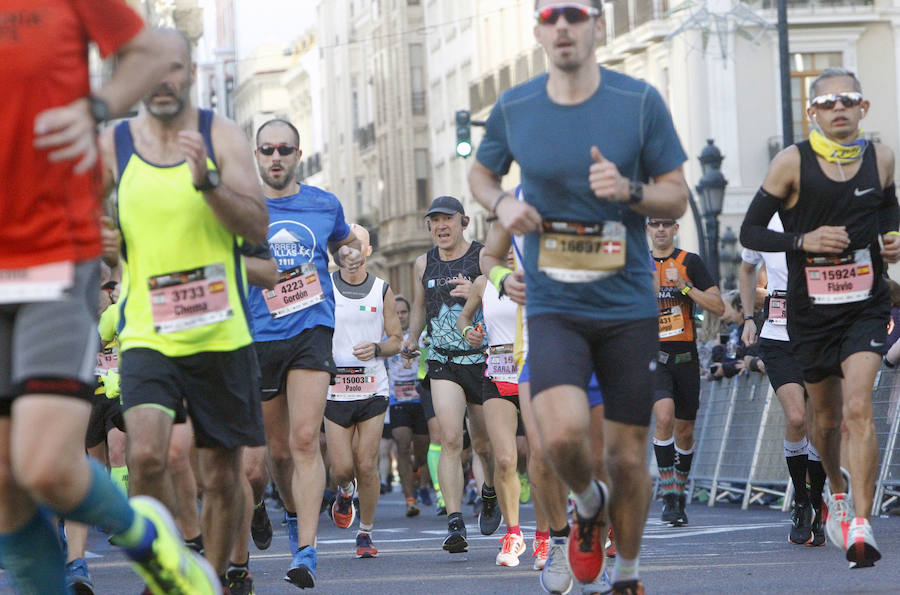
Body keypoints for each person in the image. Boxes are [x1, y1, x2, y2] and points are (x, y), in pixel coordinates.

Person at [468, 1, 690, 592]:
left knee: (625, 456)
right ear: (538, 30)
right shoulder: (515, 106)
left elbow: (677, 197)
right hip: (556, 306)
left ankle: (629, 573)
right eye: (550, 15)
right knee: (560, 439)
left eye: (575, 13)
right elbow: (482, 176)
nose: (562, 26)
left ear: (595, 24)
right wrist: (502, 205)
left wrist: (629, 189)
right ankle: (587, 505)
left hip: (625, 309)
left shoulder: (638, 100)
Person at [0, 6, 219, 594]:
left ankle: (150, 538)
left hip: (51, 254)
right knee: (4, 484)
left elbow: (147, 53)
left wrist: (96, 107)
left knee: (46, 466)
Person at [98, 27, 271, 590]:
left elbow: (257, 225)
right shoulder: (114, 145)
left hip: (221, 334)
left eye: (173, 67)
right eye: (149, 68)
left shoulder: (219, 135)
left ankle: (211, 580)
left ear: (190, 70)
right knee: (145, 456)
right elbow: (83, 226)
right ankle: (166, 568)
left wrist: (209, 184)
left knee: (222, 475)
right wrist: (100, 242)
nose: (163, 80)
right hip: (148, 331)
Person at [740, 67, 900, 569]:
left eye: (848, 100)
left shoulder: (883, 158)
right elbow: (749, 233)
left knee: (858, 408)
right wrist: (800, 241)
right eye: (828, 103)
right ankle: (833, 489)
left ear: (863, 108)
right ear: (812, 112)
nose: (839, 109)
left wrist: (893, 239)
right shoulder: (791, 163)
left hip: (865, 305)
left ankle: (860, 520)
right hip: (811, 311)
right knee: (825, 421)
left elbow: (889, 211)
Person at [246, 118, 362, 589]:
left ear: (298, 154)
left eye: (285, 149)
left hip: (312, 328)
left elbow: (343, 241)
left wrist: (353, 250)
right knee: (272, 454)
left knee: (304, 440)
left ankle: (308, 552)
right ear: (257, 156)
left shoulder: (322, 203)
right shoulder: (241, 207)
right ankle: (277, 514)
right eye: (268, 150)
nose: (276, 157)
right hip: (259, 334)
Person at [402, 196, 497, 554]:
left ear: (464, 221)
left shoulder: (483, 256)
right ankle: (455, 521)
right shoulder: (422, 262)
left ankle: (488, 493)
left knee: (485, 445)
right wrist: (412, 337)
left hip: (483, 360)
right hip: (443, 360)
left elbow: (503, 298)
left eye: (448, 219)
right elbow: (419, 306)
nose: (440, 226)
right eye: (434, 221)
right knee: (450, 439)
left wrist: (477, 297)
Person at [739, 213, 828, 547]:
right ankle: (801, 503)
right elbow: (747, 267)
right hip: (778, 337)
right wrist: (748, 317)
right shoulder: (767, 220)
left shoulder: (825, 210)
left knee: (819, 425)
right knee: (795, 417)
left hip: (820, 336)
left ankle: (817, 499)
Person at [325, 224, 403, 558]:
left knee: (367, 463)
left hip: (373, 388)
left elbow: (396, 340)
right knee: (343, 468)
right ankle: (345, 492)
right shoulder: (326, 287)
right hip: (335, 389)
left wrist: (377, 347)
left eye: (359, 246)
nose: (352, 252)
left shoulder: (382, 289)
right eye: (346, 246)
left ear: (369, 252)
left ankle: (366, 533)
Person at [649, 218, 724, 527]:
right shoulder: (639, 266)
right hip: (653, 355)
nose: (661, 229)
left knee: (684, 431)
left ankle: (679, 493)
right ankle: (668, 494)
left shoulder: (690, 262)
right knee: (663, 417)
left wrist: (684, 286)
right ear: (648, 229)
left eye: (667, 224)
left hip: (685, 357)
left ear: (676, 228)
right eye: (655, 224)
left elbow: (718, 306)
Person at [457, 250, 526, 567]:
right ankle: (513, 534)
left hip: (535, 372)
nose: (511, 251)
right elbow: (464, 318)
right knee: (503, 458)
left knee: (539, 458)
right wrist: (468, 333)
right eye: (506, 245)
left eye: (517, 244)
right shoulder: (484, 283)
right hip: (497, 374)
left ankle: (546, 537)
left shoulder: (540, 279)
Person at [388, 295, 432, 517]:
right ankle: (410, 499)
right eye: (396, 312)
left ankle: (417, 471)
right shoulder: (386, 337)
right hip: (397, 400)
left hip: (421, 396)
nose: (400, 316)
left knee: (422, 451)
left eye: (404, 312)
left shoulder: (421, 335)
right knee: (403, 444)